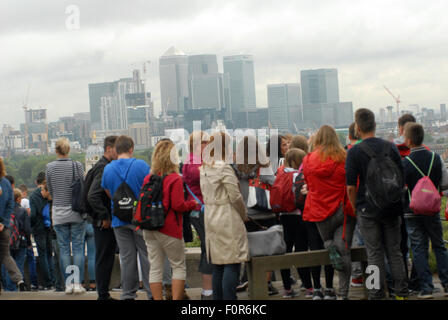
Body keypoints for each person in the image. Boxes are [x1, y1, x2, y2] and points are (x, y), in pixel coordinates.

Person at [346, 108, 408, 300]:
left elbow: (350, 187)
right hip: (391, 207)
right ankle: (402, 294)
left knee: (373, 254)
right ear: (375, 125)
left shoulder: (354, 151)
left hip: (367, 209)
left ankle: (376, 294)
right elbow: (401, 178)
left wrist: (357, 206)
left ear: (357, 127)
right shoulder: (390, 147)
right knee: (395, 252)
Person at [302, 125, 356, 300]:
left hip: (318, 211)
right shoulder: (344, 158)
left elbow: (309, 186)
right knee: (344, 250)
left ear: (317, 139)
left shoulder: (308, 160)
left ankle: (329, 251)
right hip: (342, 209)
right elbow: (351, 184)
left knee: (327, 243)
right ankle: (343, 294)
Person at [142, 139, 197, 300]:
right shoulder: (175, 179)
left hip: (150, 228)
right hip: (169, 228)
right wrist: (192, 204)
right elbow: (178, 205)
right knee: (178, 266)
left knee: (155, 268)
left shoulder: (149, 178)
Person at [101, 135, 151, 300]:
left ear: (116, 149)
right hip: (139, 218)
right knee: (145, 254)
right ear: (131, 149)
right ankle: (152, 292)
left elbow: (108, 192)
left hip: (118, 219)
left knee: (126, 257)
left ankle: (128, 293)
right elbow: (149, 188)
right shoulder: (141, 165)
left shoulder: (108, 169)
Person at [200, 132, 249, 300]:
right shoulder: (224, 168)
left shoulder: (204, 168)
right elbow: (235, 196)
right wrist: (243, 214)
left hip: (211, 216)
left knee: (218, 265)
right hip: (227, 216)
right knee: (232, 261)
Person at [402, 122, 448, 299]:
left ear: (408, 140)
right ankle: (446, 282)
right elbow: (444, 184)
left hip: (411, 211)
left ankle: (426, 288)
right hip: (432, 210)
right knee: (439, 245)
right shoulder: (436, 158)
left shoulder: (405, 163)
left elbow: (400, 187)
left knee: (418, 247)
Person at [232, 135, 278, 296]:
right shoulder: (263, 165)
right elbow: (273, 183)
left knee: (250, 250)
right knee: (267, 250)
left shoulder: (235, 168)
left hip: (245, 215)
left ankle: (250, 280)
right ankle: (265, 283)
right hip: (265, 213)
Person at [46, 137, 87, 294]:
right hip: (76, 211)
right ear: (69, 150)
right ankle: (77, 283)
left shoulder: (49, 168)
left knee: (63, 249)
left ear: (56, 150)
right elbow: (82, 186)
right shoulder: (77, 165)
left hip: (58, 212)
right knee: (77, 248)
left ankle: (68, 284)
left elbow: (51, 190)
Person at [182, 131, 214, 300]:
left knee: (208, 248)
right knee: (208, 248)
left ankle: (209, 289)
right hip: (201, 210)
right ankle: (208, 291)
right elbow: (203, 176)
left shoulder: (194, 160)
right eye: (205, 142)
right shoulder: (194, 161)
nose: (209, 145)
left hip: (201, 209)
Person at [86, 135, 118, 300]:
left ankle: (104, 293)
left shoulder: (103, 166)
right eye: (116, 149)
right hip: (103, 222)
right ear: (108, 149)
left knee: (105, 257)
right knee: (104, 257)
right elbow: (93, 195)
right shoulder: (103, 168)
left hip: (101, 220)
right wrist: (105, 216)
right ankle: (103, 294)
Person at [0, 158, 26, 292]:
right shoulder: (5, 183)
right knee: (5, 255)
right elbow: (10, 205)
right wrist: (3, 222)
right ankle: (19, 278)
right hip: (4, 227)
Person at [1, 188, 31, 291]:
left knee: (7, 263)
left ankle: (9, 288)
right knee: (19, 264)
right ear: (18, 199)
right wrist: (29, 242)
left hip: (8, 240)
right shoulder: (22, 210)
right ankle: (19, 284)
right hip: (20, 241)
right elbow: (27, 228)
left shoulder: (4, 210)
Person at [29, 172, 55, 290]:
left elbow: (33, 215)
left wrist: (31, 225)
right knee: (50, 254)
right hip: (49, 228)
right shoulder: (51, 193)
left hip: (38, 229)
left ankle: (47, 282)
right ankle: (54, 279)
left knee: (43, 255)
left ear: (36, 182)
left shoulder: (33, 196)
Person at [40, 182, 65, 292]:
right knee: (56, 260)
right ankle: (59, 284)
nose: (41, 192)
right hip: (54, 234)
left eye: (43, 190)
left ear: (48, 192)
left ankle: (61, 284)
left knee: (59, 259)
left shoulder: (52, 205)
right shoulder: (50, 203)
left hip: (56, 234)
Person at [18, 184, 38, 291]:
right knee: (31, 258)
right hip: (25, 236)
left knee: (19, 261)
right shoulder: (26, 201)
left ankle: (21, 282)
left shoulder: (13, 205)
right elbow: (29, 215)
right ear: (24, 193)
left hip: (17, 237)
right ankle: (34, 283)